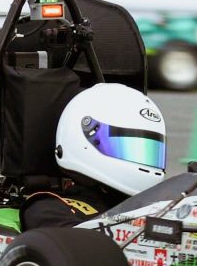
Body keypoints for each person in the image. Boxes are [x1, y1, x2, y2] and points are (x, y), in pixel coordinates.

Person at [19, 83, 168, 230]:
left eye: (150, 152)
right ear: (82, 140)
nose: (144, 162)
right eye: (128, 148)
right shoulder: (48, 207)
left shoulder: (161, 208)